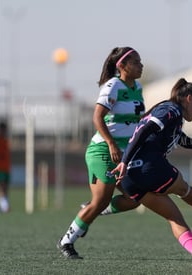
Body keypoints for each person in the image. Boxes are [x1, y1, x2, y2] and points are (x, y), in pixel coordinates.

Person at [112, 78, 192, 270]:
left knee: (174, 218)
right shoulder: (171, 110)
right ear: (189, 98)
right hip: (149, 168)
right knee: (184, 190)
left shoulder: (172, 116)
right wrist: (124, 160)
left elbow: (182, 140)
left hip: (131, 179)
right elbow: (144, 131)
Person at [57, 47, 145, 259]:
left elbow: (135, 120)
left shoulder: (138, 86)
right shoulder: (113, 85)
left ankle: (90, 209)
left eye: (140, 61)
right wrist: (111, 143)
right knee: (101, 200)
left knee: (135, 198)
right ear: (122, 66)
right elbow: (97, 118)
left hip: (123, 155)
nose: (141, 65)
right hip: (103, 150)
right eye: (136, 62)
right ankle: (67, 241)